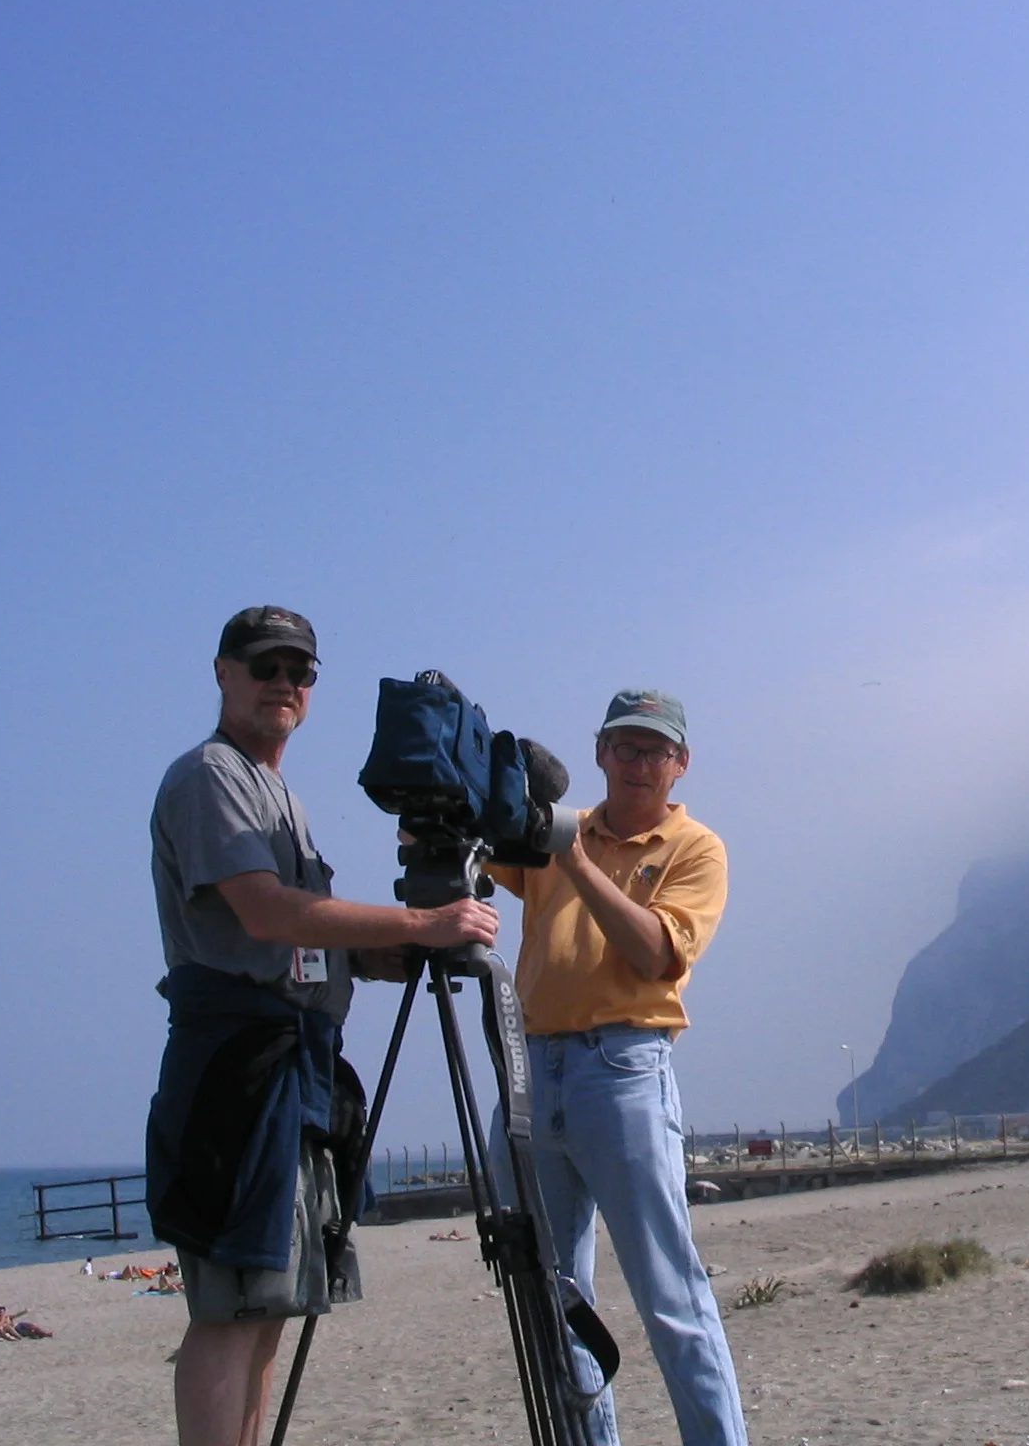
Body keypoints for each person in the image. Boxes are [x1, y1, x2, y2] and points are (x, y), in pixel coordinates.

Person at [146, 606, 499, 1446]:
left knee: (271, 1307)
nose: (283, 683)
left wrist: (393, 950)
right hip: (238, 1070)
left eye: (299, 671)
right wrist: (420, 925)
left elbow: (308, 942)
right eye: (265, 666)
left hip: (296, 1068)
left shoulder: (283, 799)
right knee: (230, 1309)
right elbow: (266, 913)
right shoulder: (210, 776)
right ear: (223, 672)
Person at [490, 688, 747, 1446]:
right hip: (533, 1066)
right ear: (600, 751)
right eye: (626, 746)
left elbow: (657, 952)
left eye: (655, 750)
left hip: (623, 1067)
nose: (639, 762)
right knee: (552, 1297)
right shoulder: (556, 832)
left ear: (680, 763)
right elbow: (455, 842)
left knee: (670, 1293)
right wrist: (457, 785)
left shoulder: (695, 848)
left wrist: (572, 858)